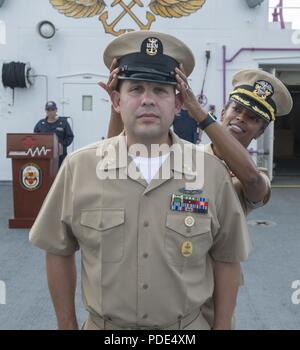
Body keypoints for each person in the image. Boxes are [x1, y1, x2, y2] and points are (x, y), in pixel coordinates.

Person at [29, 31, 251, 330]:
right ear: (116, 100)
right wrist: (66, 326)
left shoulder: (210, 172)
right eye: (136, 89)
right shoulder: (79, 168)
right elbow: (58, 250)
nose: (148, 100)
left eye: (160, 90)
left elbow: (227, 258)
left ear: (178, 103)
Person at [102, 66, 293, 328]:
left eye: (252, 118)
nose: (240, 119)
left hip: (211, 300)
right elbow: (115, 163)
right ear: (224, 111)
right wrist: (119, 105)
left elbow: (250, 179)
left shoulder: (255, 178)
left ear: (260, 132)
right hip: (163, 285)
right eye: (236, 109)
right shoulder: (184, 156)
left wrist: (199, 113)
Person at [34, 101, 74, 167]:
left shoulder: (63, 123)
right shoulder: (40, 124)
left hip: (60, 156)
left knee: (60, 175)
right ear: (46, 111)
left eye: (52, 109)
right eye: (48, 110)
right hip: (44, 156)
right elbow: (35, 138)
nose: (50, 112)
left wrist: (62, 145)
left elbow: (70, 137)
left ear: (56, 110)